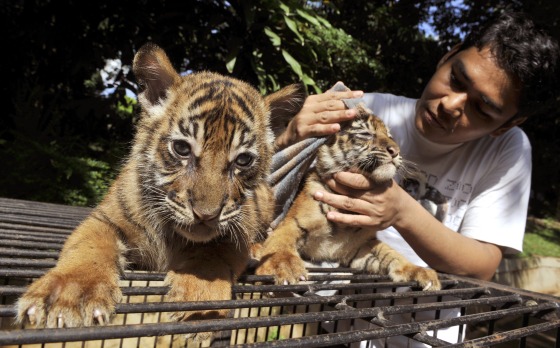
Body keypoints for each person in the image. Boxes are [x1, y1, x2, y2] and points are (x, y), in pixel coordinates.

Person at [274, 11, 560, 346]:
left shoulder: (506, 151)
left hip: (428, 334)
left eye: (481, 109)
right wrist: (289, 138)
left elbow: (482, 267)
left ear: (506, 124)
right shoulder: (370, 110)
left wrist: (402, 212)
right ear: (448, 55)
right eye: (456, 79)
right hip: (335, 322)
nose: (450, 105)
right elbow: (271, 198)